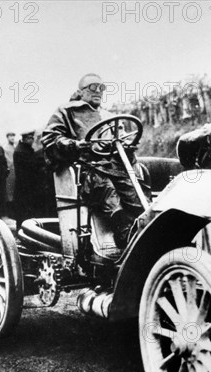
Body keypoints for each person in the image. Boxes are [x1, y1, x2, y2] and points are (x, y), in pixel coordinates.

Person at [42, 73, 150, 250]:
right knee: (105, 186)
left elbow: (121, 140)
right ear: (81, 91)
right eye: (93, 87)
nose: (98, 91)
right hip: (85, 168)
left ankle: (145, 228)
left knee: (135, 187)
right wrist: (75, 145)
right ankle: (124, 233)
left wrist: (128, 146)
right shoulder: (67, 111)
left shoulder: (108, 115)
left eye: (101, 88)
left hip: (114, 166)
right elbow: (51, 139)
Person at [13, 130, 42, 229]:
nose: (32, 140)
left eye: (32, 138)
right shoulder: (21, 151)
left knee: (26, 210)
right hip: (24, 187)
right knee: (23, 211)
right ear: (24, 139)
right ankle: (21, 230)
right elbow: (30, 167)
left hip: (27, 186)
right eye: (30, 138)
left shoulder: (26, 149)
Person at [5, 132, 17, 218]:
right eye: (10, 136)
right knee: (9, 192)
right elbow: (8, 161)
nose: (12, 138)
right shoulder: (5, 148)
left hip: (16, 171)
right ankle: (9, 212)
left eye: (13, 136)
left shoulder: (15, 147)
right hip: (10, 172)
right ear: (7, 137)